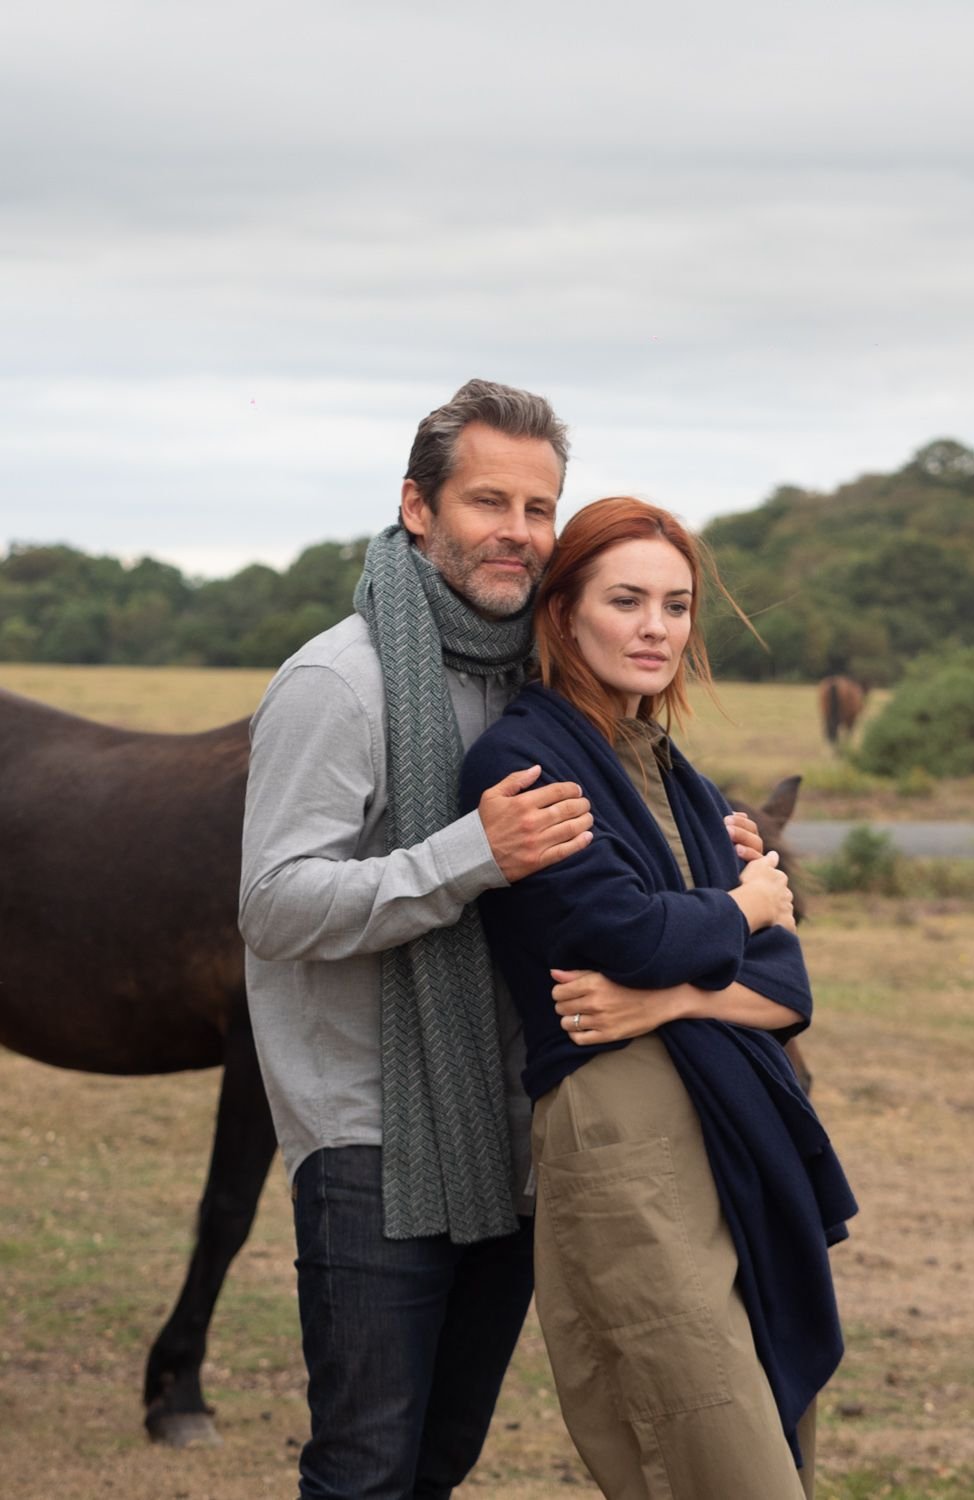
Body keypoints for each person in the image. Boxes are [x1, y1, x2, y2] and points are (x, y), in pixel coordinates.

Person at [239, 383, 766, 1500]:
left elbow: (596, 877)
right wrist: (468, 854)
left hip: (513, 1128)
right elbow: (275, 907)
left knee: (439, 1461)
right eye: (489, 500)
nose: (517, 531)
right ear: (418, 507)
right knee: (365, 1465)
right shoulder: (342, 682)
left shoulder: (539, 684)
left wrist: (703, 848)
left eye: (540, 507)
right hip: (371, 1133)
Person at [460, 496, 857, 1500]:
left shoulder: (687, 784)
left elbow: (785, 985)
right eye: (626, 599)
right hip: (623, 1133)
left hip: (723, 1118)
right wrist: (746, 907)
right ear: (564, 615)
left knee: (754, 1429)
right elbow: (619, 934)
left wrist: (667, 1002)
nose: (655, 628)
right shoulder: (523, 760)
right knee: (707, 1452)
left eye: (676, 606)